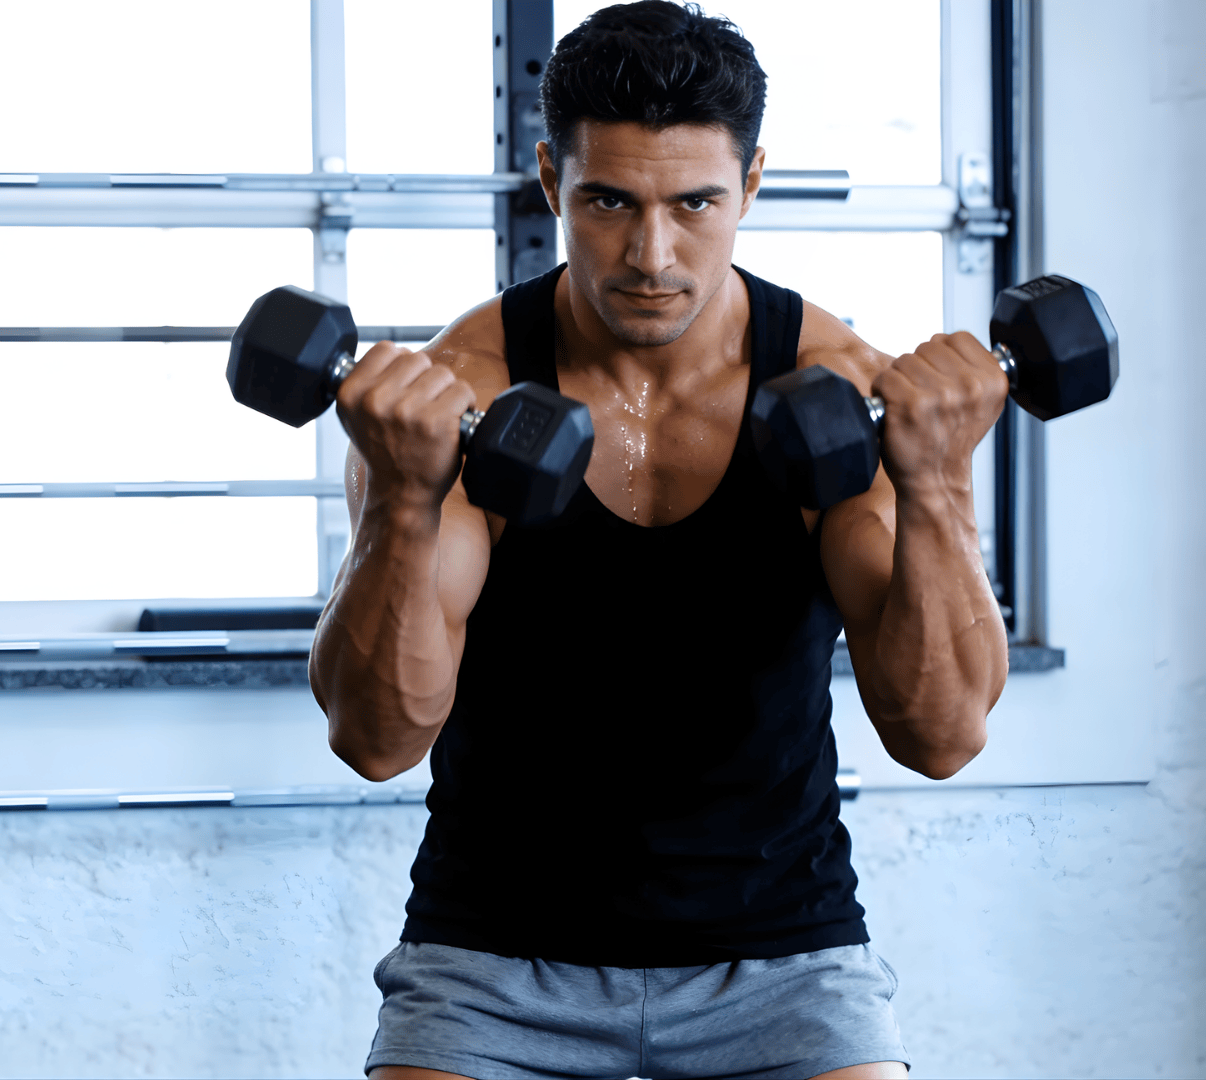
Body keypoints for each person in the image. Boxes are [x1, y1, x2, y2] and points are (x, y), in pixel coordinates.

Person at [308, 3, 1009, 1078]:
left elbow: (943, 736)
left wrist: (936, 481)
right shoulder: (456, 398)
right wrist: (406, 500)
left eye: (695, 204)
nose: (651, 253)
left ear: (752, 185)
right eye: (607, 202)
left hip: (781, 958)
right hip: (496, 957)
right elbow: (375, 740)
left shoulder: (837, 393)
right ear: (550, 182)